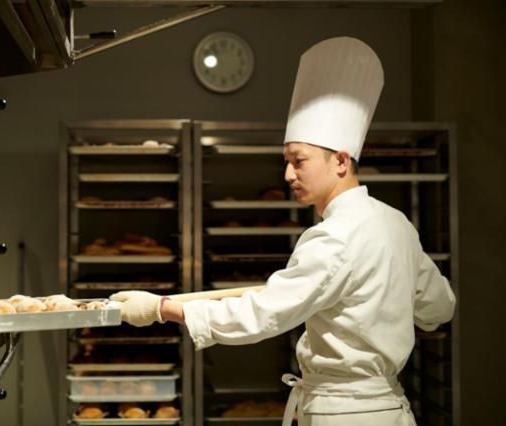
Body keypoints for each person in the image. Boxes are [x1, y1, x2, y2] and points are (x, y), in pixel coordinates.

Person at [110, 36, 455, 426]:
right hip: (390, 409)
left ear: (341, 161)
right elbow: (439, 308)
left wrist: (159, 309)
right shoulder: (396, 223)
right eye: (287, 161)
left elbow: (262, 315)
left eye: (299, 160)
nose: (288, 174)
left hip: (342, 413)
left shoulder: (332, 238)